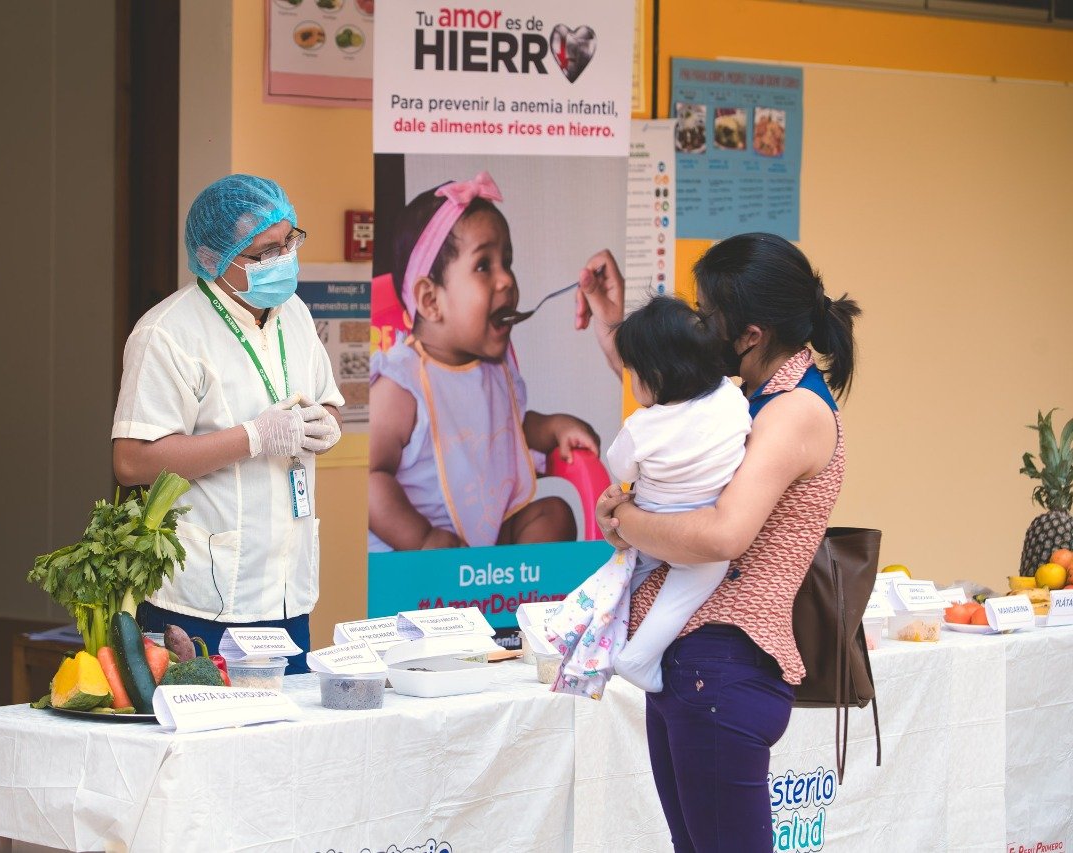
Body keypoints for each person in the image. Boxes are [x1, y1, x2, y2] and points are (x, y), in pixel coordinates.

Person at [597, 233, 860, 852]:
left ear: (751, 334)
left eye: (706, 314)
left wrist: (629, 519)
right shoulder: (747, 396)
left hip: (722, 666)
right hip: (694, 667)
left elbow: (723, 534)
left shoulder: (792, 411)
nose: (697, 326)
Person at [111, 174, 343, 674]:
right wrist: (253, 437)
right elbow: (132, 461)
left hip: (287, 593)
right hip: (200, 599)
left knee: (291, 741)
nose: (282, 259)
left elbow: (326, 401)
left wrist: (326, 425)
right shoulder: (168, 333)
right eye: (263, 252)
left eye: (289, 241)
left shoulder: (294, 313)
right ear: (214, 260)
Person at [368, 171, 606, 552]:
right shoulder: (402, 383)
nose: (506, 280)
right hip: (414, 559)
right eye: (484, 266)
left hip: (484, 545)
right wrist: (422, 538)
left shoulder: (496, 370)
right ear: (430, 300)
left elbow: (499, 430)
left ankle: (517, 607)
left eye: (506, 262)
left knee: (553, 515)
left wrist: (551, 428)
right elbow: (369, 475)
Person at [545, 296, 750, 699]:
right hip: (701, 521)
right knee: (694, 578)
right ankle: (632, 651)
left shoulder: (642, 426)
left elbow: (621, 469)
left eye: (631, 372)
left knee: (622, 578)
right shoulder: (730, 397)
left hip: (649, 521)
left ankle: (613, 645)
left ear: (654, 376)